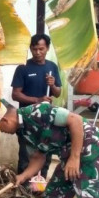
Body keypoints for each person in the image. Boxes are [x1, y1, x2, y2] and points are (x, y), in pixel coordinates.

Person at [11, 33, 62, 178]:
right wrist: (37, 100)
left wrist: (53, 85)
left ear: (47, 48)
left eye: (41, 49)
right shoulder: (23, 68)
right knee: (26, 153)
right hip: (26, 118)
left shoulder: (52, 67)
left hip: (46, 118)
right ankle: (23, 187)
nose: (38, 52)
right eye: (34, 49)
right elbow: (15, 94)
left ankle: (40, 186)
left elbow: (57, 93)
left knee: (45, 152)